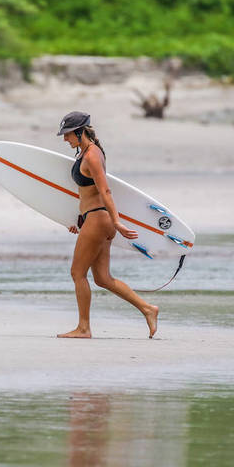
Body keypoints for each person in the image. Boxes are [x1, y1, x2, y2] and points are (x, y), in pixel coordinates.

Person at [56, 111, 159, 339]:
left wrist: (117, 222)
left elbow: (104, 191)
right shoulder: (87, 152)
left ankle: (84, 328)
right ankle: (148, 309)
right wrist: (79, 220)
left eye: (68, 134)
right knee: (102, 278)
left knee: (77, 273)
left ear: (80, 132)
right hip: (93, 220)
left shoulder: (92, 156)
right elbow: (88, 193)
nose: (65, 139)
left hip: (99, 220)